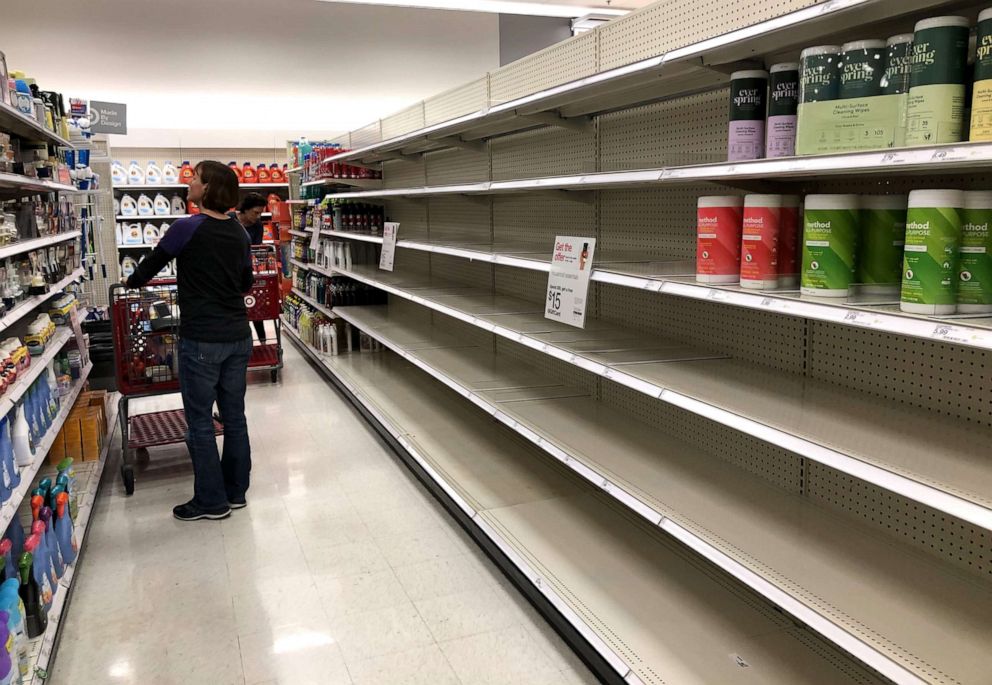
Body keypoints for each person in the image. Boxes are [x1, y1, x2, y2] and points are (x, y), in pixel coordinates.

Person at [126, 161, 254, 521]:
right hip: (238, 336)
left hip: (202, 339)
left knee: (199, 421)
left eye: (194, 179)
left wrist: (131, 284)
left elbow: (148, 267)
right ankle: (236, 492)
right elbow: (245, 283)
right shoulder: (239, 232)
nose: (189, 184)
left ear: (208, 187)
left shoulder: (186, 228)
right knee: (235, 418)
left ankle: (211, 502)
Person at [230, 192, 268, 343]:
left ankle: (263, 341)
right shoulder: (229, 219)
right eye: (256, 212)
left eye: (260, 213)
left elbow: (256, 249)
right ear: (245, 209)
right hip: (230, 272)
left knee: (255, 306)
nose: (258, 216)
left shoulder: (257, 225)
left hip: (247, 270)